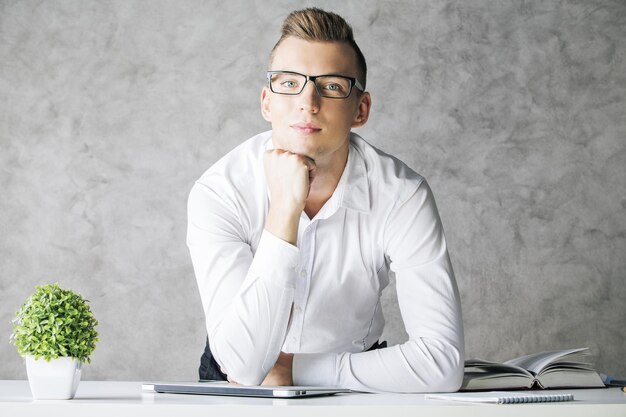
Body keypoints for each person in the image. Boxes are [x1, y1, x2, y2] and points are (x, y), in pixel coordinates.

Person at [187, 7, 464, 393]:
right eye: (289, 83)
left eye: (331, 86)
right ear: (266, 102)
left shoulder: (402, 195)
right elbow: (243, 366)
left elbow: (441, 363)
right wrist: (284, 210)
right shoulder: (220, 190)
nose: (308, 102)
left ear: (361, 109)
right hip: (233, 381)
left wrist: (298, 370)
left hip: (358, 380)